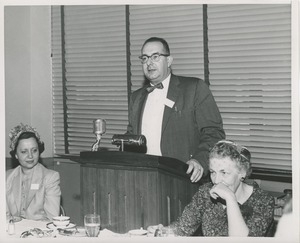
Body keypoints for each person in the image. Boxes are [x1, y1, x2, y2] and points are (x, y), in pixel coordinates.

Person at [127, 37, 225, 183]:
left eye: (155, 56)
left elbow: (213, 132)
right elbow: (132, 137)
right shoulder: (136, 97)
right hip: (144, 179)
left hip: (184, 178)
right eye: (145, 58)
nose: (149, 63)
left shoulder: (194, 88)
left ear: (169, 61)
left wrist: (200, 161)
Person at [147, 140, 275, 237]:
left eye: (224, 173)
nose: (217, 180)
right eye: (213, 172)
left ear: (242, 172)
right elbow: (182, 228)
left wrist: (230, 198)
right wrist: (163, 231)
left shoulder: (263, 200)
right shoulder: (205, 192)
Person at [6, 123, 61, 221]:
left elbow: (52, 218)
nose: (30, 156)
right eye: (24, 152)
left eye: (34, 150)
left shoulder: (50, 177)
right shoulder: (6, 177)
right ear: (16, 155)